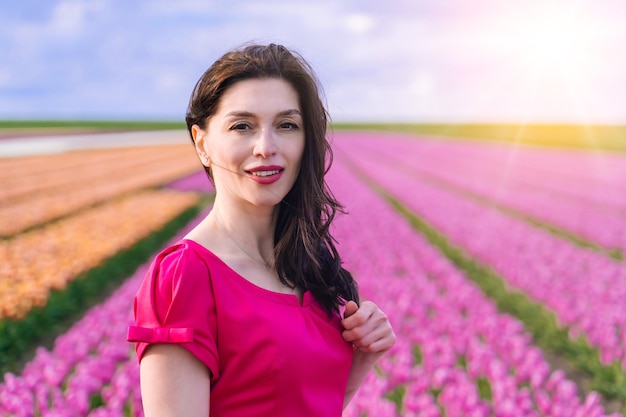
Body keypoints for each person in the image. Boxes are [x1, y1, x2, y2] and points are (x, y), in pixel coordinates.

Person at [127, 43, 396, 417]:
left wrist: (363, 357)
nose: (266, 147)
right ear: (202, 143)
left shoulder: (307, 263)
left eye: (286, 125)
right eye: (242, 126)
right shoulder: (185, 276)